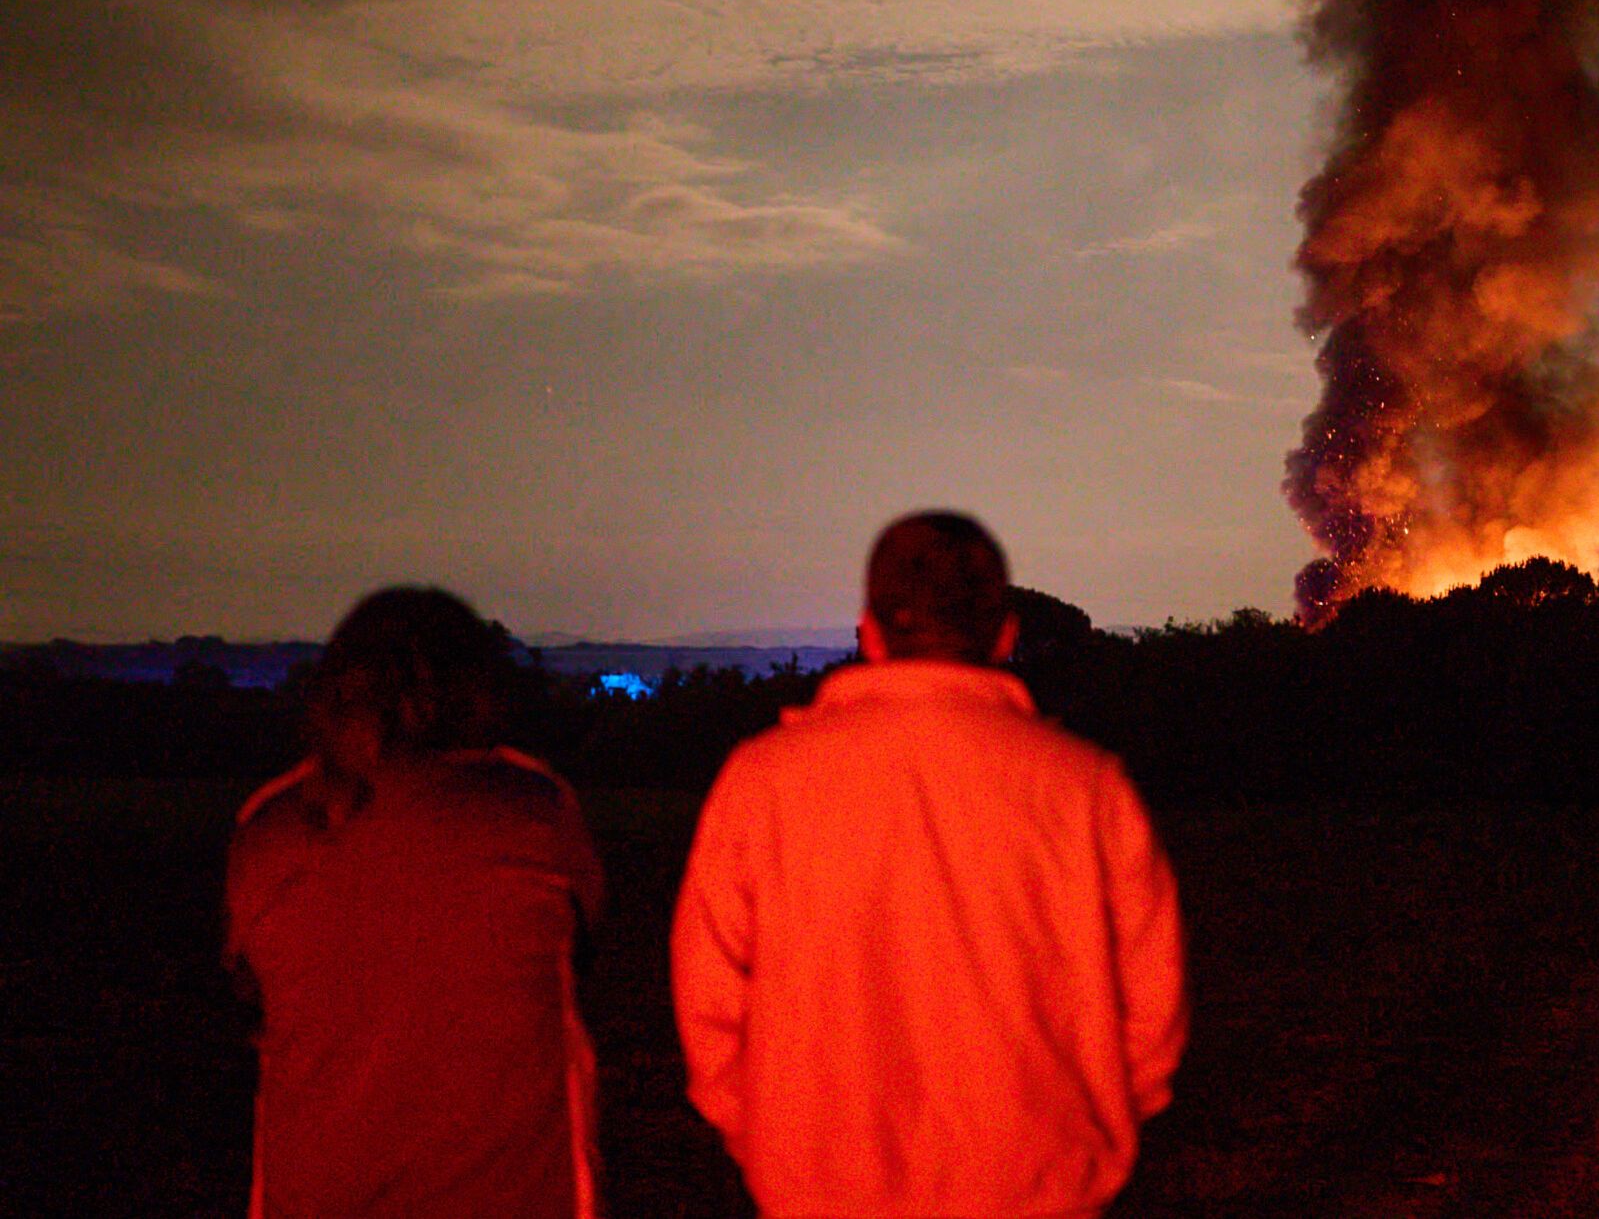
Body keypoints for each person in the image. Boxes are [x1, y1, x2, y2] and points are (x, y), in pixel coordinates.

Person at [672, 512, 1187, 1218]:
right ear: (1006, 634)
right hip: (1038, 1190)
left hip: (819, 1192)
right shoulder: (1087, 787)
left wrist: (772, 1138)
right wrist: (1087, 1140)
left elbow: (708, 1002)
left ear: (869, 631)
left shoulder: (761, 781)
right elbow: (1152, 1010)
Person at [225, 587, 605, 1217]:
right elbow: (580, 941)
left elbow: (249, 985)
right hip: (520, 1194)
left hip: (319, 1192)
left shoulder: (269, 827)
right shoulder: (534, 809)